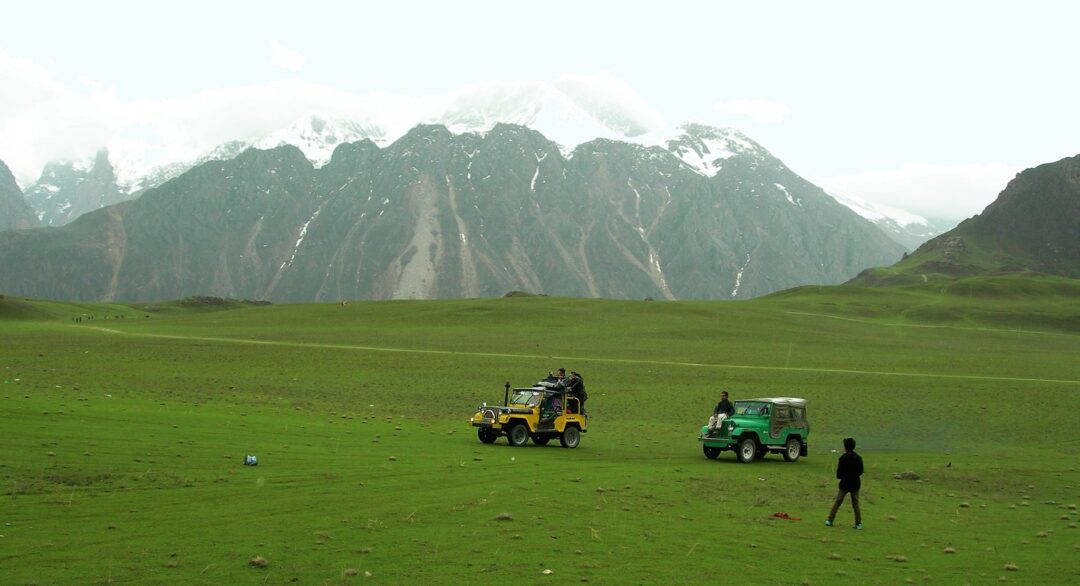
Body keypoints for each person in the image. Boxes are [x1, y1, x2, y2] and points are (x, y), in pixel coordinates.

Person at [826, 437, 864, 529]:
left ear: (845, 447)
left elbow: (839, 475)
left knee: (838, 502)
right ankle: (858, 523)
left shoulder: (842, 459)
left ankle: (830, 520)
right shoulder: (858, 458)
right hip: (855, 484)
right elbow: (861, 471)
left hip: (844, 484)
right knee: (855, 504)